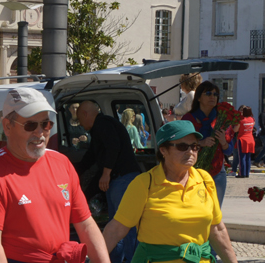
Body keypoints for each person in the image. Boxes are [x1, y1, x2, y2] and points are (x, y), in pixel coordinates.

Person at [0, 87, 112, 263]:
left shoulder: (61, 163)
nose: (40, 133)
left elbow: (86, 224)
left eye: (46, 124)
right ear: (7, 126)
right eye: (30, 125)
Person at [102, 120, 239, 263]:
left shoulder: (205, 180)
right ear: (163, 150)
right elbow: (116, 229)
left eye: (194, 146)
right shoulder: (145, 183)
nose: (190, 151)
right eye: (182, 146)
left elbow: (217, 229)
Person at [75, 100, 142, 261]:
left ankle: (134, 259)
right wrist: (73, 173)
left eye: (79, 119)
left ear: (85, 113)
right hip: (119, 181)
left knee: (124, 225)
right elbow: (90, 156)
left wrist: (106, 173)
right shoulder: (99, 128)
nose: (80, 124)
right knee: (115, 226)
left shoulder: (103, 123)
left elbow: (113, 146)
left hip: (123, 178)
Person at [183, 82, 231, 206]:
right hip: (194, 171)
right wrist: (201, 143)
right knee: (196, 209)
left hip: (218, 172)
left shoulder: (221, 119)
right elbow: (181, 145)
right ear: (198, 97)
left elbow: (229, 151)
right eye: (208, 93)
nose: (213, 97)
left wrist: (223, 142)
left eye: (216, 94)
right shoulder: (189, 119)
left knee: (215, 212)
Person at [237, 107, 256, 178]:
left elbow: (236, 130)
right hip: (251, 139)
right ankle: (247, 173)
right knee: (248, 157)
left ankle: (242, 173)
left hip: (243, 140)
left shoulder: (241, 120)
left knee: (242, 157)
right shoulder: (252, 119)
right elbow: (253, 124)